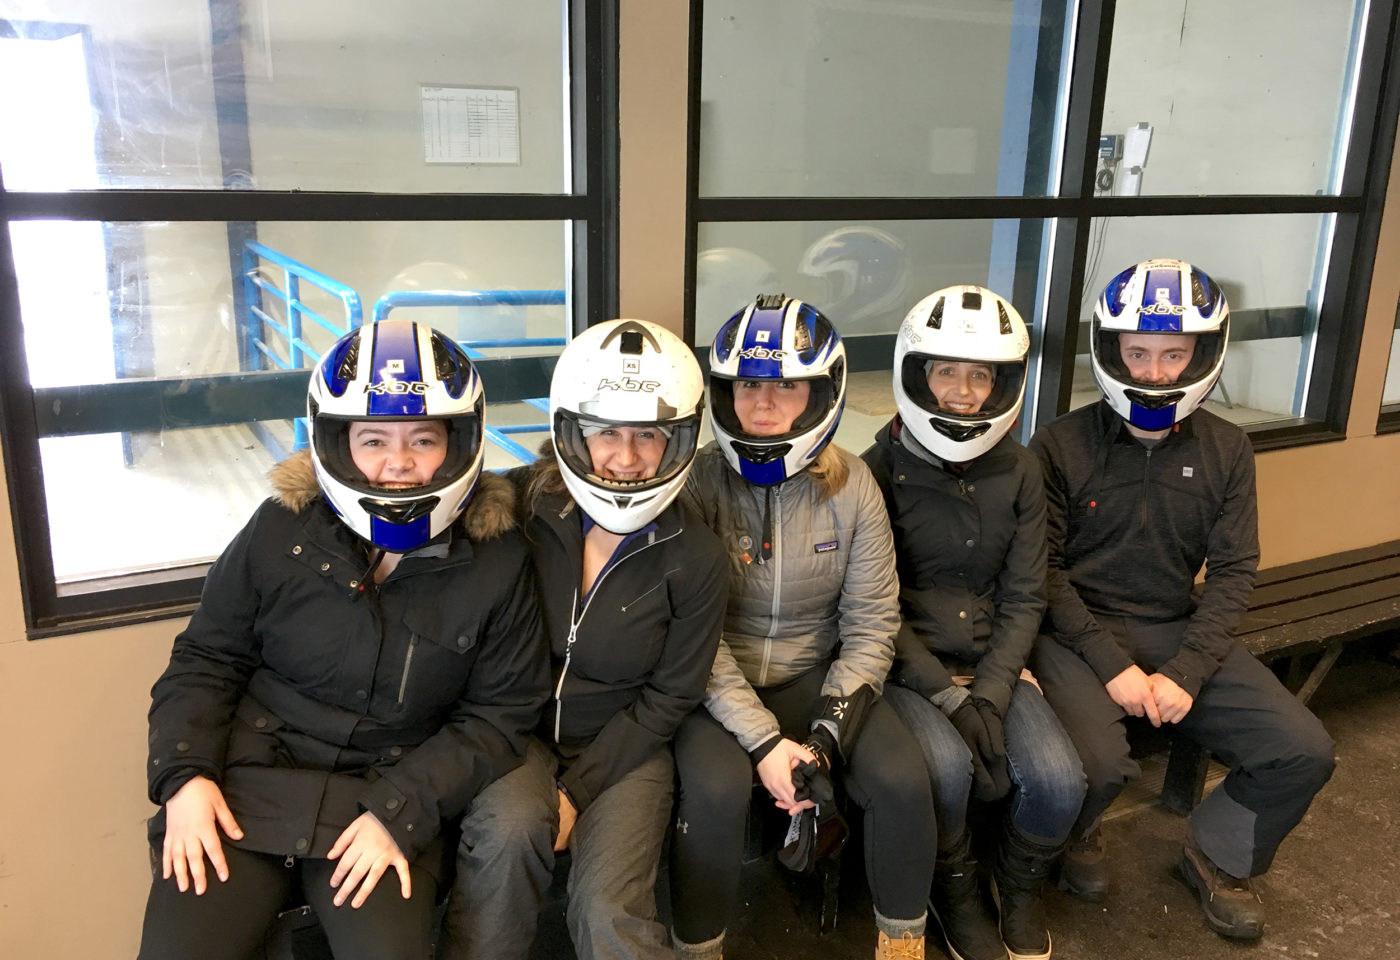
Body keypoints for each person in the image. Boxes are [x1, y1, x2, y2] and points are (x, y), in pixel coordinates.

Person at [138, 319, 549, 960]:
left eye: (423, 439)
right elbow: (206, 659)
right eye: (373, 440)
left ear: (460, 442)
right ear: (335, 442)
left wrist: (400, 809)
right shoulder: (280, 528)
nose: (398, 462)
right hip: (248, 788)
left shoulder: (498, 560)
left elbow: (498, 717)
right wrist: (184, 776)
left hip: (384, 798)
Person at [1028, 258, 1336, 940]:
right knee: (1095, 767)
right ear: (1111, 351)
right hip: (1076, 633)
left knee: (1302, 750)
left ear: (1203, 353)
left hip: (1176, 626)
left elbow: (1233, 571)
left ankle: (1216, 855)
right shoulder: (1059, 444)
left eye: (1174, 355)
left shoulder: (1228, 449)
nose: (1156, 372)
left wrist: (1189, 670)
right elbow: (1043, 574)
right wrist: (1112, 665)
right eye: (1138, 353)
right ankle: (1079, 833)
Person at [439, 318, 728, 960]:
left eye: (648, 435)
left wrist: (577, 791)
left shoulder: (697, 556)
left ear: (679, 440)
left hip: (627, 746)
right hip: (516, 734)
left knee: (608, 908)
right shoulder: (519, 506)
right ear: (572, 433)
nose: (625, 457)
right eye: (605, 433)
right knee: (505, 842)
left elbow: (672, 696)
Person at [670, 294, 936, 960]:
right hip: (714, 687)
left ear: (820, 394)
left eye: (786, 386)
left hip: (816, 675)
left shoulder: (855, 486)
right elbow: (690, 634)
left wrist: (825, 737)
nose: (763, 405)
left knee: (904, 782)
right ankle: (696, 949)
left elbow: (872, 622)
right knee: (714, 793)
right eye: (747, 386)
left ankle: (902, 944)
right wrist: (764, 742)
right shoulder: (696, 483)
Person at [863, 286, 1085, 960]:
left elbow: (1025, 594)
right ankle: (955, 896)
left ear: (1001, 384)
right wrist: (951, 699)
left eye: (981, 375)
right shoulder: (876, 472)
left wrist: (990, 691)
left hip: (994, 662)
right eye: (946, 372)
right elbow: (876, 610)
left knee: (1060, 782)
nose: (963, 393)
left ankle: (1016, 891)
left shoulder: (1021, 468)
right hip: (910, 669)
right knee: (946, 772)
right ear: (917, 374)